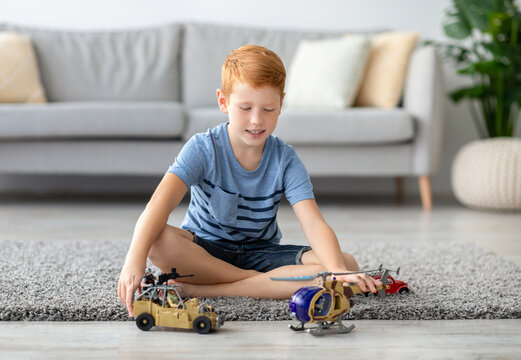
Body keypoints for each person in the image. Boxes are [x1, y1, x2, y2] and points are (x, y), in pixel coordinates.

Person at [118, 44, 381, 317]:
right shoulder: (202, 148)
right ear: (223, 102)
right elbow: (158, 207)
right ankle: (256, 282)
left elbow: (313, 222)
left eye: (268, 108)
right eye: (245, 107)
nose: (257, 121)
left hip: (262, 253)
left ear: (281, 104)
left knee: (345, 263)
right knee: (157, 241)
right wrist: (132, 261)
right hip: (206, 253)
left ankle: (205, 290)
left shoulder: (286, 159)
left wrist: (338, 271)